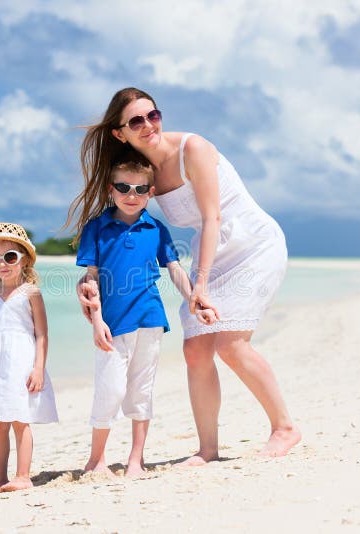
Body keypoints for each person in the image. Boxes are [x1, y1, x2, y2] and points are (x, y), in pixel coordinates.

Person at [71, 87, 301, 464]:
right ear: (119, 133)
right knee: (195, 351)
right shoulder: (142, 176)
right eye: (136, 121)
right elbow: (118, 232)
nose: (148, 125)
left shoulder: (191, 149)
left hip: (253, 245)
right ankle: (208, 449)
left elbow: (213, 217)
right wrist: (89, 282)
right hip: (211, 253)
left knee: (229, 343)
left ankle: (285, 427)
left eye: (153, 115)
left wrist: (202, 285)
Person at [70, 159, 215, 477]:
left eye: (139, 189)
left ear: (150, 192)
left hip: (150, 318)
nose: (131, 194)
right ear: (112, 190)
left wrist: (195, 299)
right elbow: (90, 278)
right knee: (109, 389)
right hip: (111, 324)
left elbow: (175, 269)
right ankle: (97, 460)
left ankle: (137, 459)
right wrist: (96, 321)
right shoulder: (97, 227)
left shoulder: (156, 229)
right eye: (123, 187)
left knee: (142, 390)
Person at [0, 223, 58, 492]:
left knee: (20, 421)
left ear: (24, 260)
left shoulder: (31, 292)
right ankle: (1, 479)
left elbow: (42, 335)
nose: (3, 264)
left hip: (21, 366)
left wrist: (38, 368)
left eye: (10, 256)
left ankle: (23, 476)